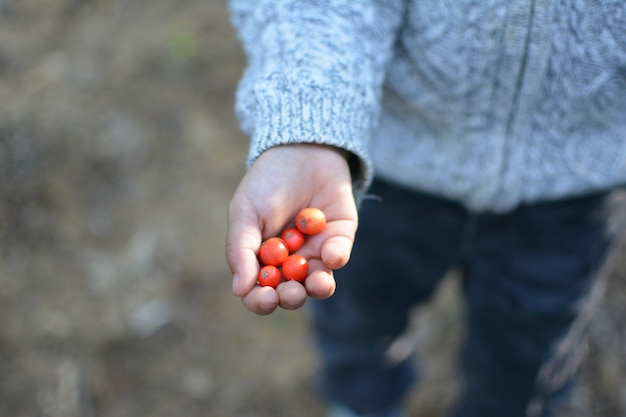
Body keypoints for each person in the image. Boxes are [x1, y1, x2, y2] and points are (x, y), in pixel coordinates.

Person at [225, 1, 626, 416]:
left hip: (574, 196)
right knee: (359, 322)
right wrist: (310, 126)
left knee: (527, 362)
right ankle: (362, 403)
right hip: (390, 175)